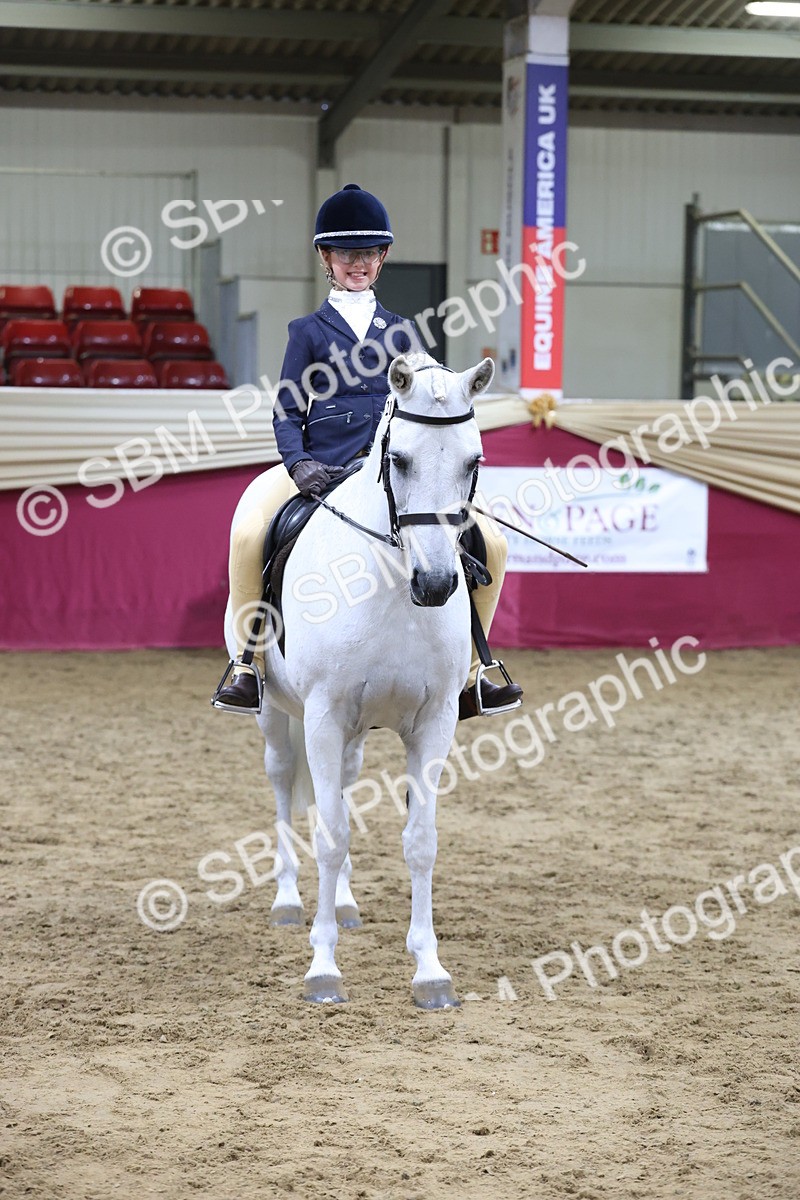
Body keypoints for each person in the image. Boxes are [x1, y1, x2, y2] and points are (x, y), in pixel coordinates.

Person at [214, 183, 522, 719]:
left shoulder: (403, 333)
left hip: (389, 472)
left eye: (367, 253)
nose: (357, 263)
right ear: (325, 258)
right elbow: (287, 410)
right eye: (345, 253)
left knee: (490, 543)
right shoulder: (306, 331)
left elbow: (431, 404)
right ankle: (248, 664)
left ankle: (476, 671)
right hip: (317, 466)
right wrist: (299, 462)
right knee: (248, 533)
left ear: (381, 259)